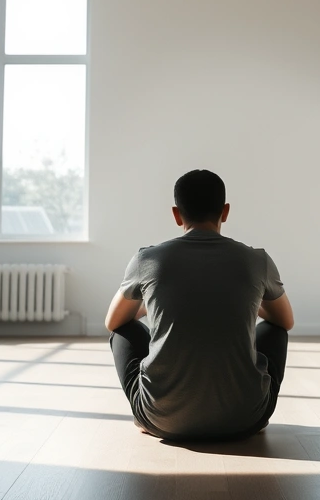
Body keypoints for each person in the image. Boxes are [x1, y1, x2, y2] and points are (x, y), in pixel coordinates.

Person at [105, 169, 295, 441]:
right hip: (246, 420)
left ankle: (146, 416)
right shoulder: (257, 260)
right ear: (225, 211)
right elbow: (285, 321)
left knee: (124, 331)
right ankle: (255, 410)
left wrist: (152, 301)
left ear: (176, 214)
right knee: (274, 331)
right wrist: (250, 299)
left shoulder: (147, 259)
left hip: (163, 420)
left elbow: (113, 322)